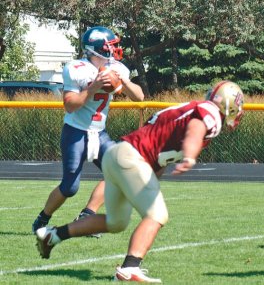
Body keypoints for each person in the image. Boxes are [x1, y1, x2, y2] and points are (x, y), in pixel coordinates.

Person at [35, 80, 244, 282]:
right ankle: (129, 268)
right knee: (157, 214)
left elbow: (160, 154)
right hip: (132, 159)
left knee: (115, 223)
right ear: (228, 103)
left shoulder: (187, 109)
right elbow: (195, 131)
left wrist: (151, 181)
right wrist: (190, 156)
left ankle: (54, 235)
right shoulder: (211, 113)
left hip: (116, 155)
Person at [32, 26, 144, 237]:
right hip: (76, 132)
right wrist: (92, 88)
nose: (115, 49)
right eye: (110, 45)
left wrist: (125, 81)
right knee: (69, 187)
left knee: (119, 173)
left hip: (99, 133)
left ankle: (87, 215)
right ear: (97, 48)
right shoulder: (77, 68)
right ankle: (43, 218)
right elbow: (70, 105)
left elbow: (139, 98)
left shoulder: (117, 68)